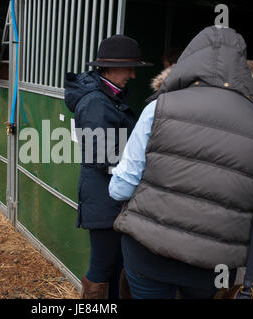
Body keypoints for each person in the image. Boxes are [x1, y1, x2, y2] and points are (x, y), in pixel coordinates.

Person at [109, 26, 253, 299]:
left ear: (191, 60)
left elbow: (120, 188)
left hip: (147, 255)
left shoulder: (159, 108)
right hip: (213, 266)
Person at [64, 35, 152, 299]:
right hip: (104, 201)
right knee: (102, 269)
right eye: (130, 69)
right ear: (112, 68)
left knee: (116, 268)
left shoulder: (108, 97)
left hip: (110, 198)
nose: (133, 76)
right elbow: (103, 155)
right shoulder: (95, 102)